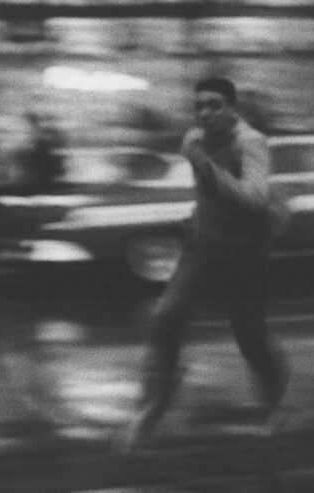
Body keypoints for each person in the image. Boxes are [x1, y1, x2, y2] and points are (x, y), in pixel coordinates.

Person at [118, 77, 289, 452]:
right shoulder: (196, 139)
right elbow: (206, 193)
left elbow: (256, 198)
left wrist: (205, 165)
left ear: (232, 108)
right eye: (200, 106)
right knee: (166, 316)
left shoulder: (250, 142)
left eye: (214, 105)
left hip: (244, 259)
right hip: (204, 252)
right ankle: (155, 403)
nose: (205, 113)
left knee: (253, 345)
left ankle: (274, 402)